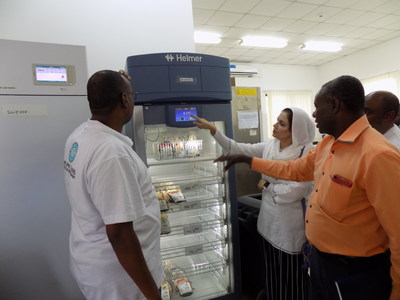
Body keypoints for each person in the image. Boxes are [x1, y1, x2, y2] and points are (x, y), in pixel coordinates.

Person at [214, 75, 400, 300]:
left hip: (355, 269)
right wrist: (249, 160)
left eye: (317, 107)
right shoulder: (328, 143)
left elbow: (397, 231)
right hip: (321, 261)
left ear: (335, 105)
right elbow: (294, 170)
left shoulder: (378, 155)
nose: (313, 114)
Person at [192, 107, 315, 300]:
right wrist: (213, 130)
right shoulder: (270, 146)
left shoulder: (307, 154)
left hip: (291, 231)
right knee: (273, 278)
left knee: (292, 281)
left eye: (282, 124)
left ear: (296, 131)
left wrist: (267, 185)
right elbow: (238, 148)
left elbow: (295, 191)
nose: (275, 126)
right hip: (268, 226)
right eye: (277, 120)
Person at [63, 70, 163, 300]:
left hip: (93, 262)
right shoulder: (111, 154)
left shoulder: (80, 135)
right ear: (124, 100)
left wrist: (122, 84)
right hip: (123, 283)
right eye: (131, 94)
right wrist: (152, 295)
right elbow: (119, 233)